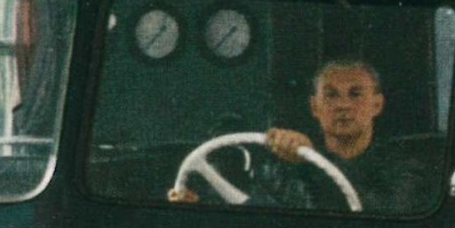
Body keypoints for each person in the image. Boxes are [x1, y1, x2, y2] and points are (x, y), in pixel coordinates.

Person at [168, 58, 432, 212]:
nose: (342, 105)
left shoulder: (406, 167)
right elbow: (257, 217)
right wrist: (199, 207)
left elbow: (366, 215)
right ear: (315, 107)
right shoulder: (282, 169)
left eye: (355, 94)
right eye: (331, 95)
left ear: (377, 105)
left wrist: (309, 161)